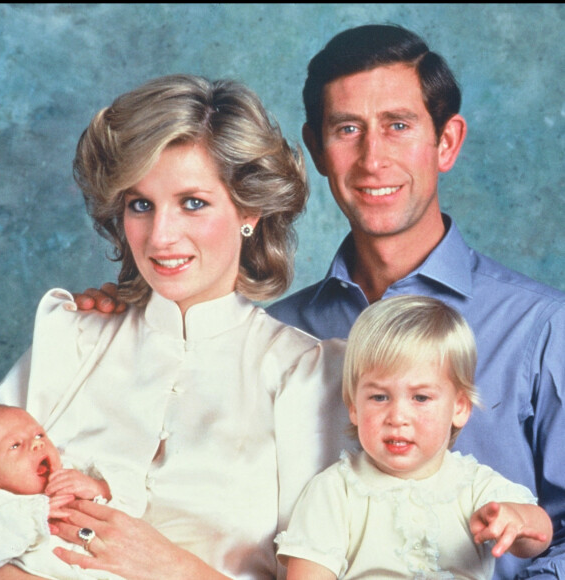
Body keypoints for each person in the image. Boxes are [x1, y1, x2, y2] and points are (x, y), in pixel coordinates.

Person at [64, 24, 565, 578]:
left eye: (398, 126)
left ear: (446, 142)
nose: (373, 158)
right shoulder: (281, 336)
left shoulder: (542, 329)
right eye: (347, 129)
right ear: (317, 149)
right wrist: (121, 314)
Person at [0, 74, 349, 580]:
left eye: (192, 202)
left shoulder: (308, 376)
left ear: (250, 209)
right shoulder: (72, 336)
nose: (161, 236)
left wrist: (171, 567)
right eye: (141, 205)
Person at [275, 296, 553, 579]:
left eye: (421, 398)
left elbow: (539, 532)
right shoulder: (336, 491)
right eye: (379, 397)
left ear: (459, 407)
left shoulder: (473, 485)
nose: (397, 417)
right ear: (354, 408)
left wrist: (516, 520)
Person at [0, 404, 125, 579]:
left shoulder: (74, 473)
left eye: (39, 434)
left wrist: (100, 488)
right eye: (15, 445)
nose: (37, 443)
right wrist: (34, 518)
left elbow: (135, 501)